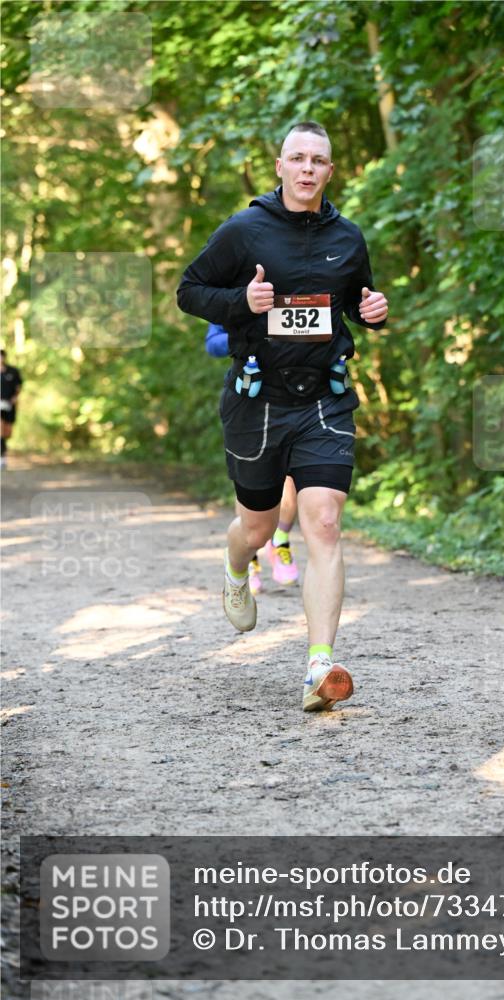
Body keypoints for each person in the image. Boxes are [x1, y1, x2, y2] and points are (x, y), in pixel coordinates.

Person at [178, 121, 388, 711]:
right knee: (259, 527)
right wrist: (240, 302)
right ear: (280, 166)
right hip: (258, 400)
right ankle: (236, 565)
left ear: (330, 171)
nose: (307, 169)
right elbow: (189, 290)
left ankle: (319, 667)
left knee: (323, 521)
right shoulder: (244, 230)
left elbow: (356, 302)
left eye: (318, 160)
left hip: (325, 397)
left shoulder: (348, 236)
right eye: (297, 158)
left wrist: (373, 311)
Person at [205, 322, 300, 594]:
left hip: (299, 396)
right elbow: (213, 344)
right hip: (251, 399)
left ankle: (280, 540)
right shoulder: (238, 298)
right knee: (251, 480)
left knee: (291, 477)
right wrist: (246, 336)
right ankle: (251, 557)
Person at [1, 349, 23, 469]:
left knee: (7, 432)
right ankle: (2, 457)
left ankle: (3, 452)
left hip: (9, 405)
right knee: (0, 429)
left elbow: (18, 386)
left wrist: (15, 398)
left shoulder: (13, 371)